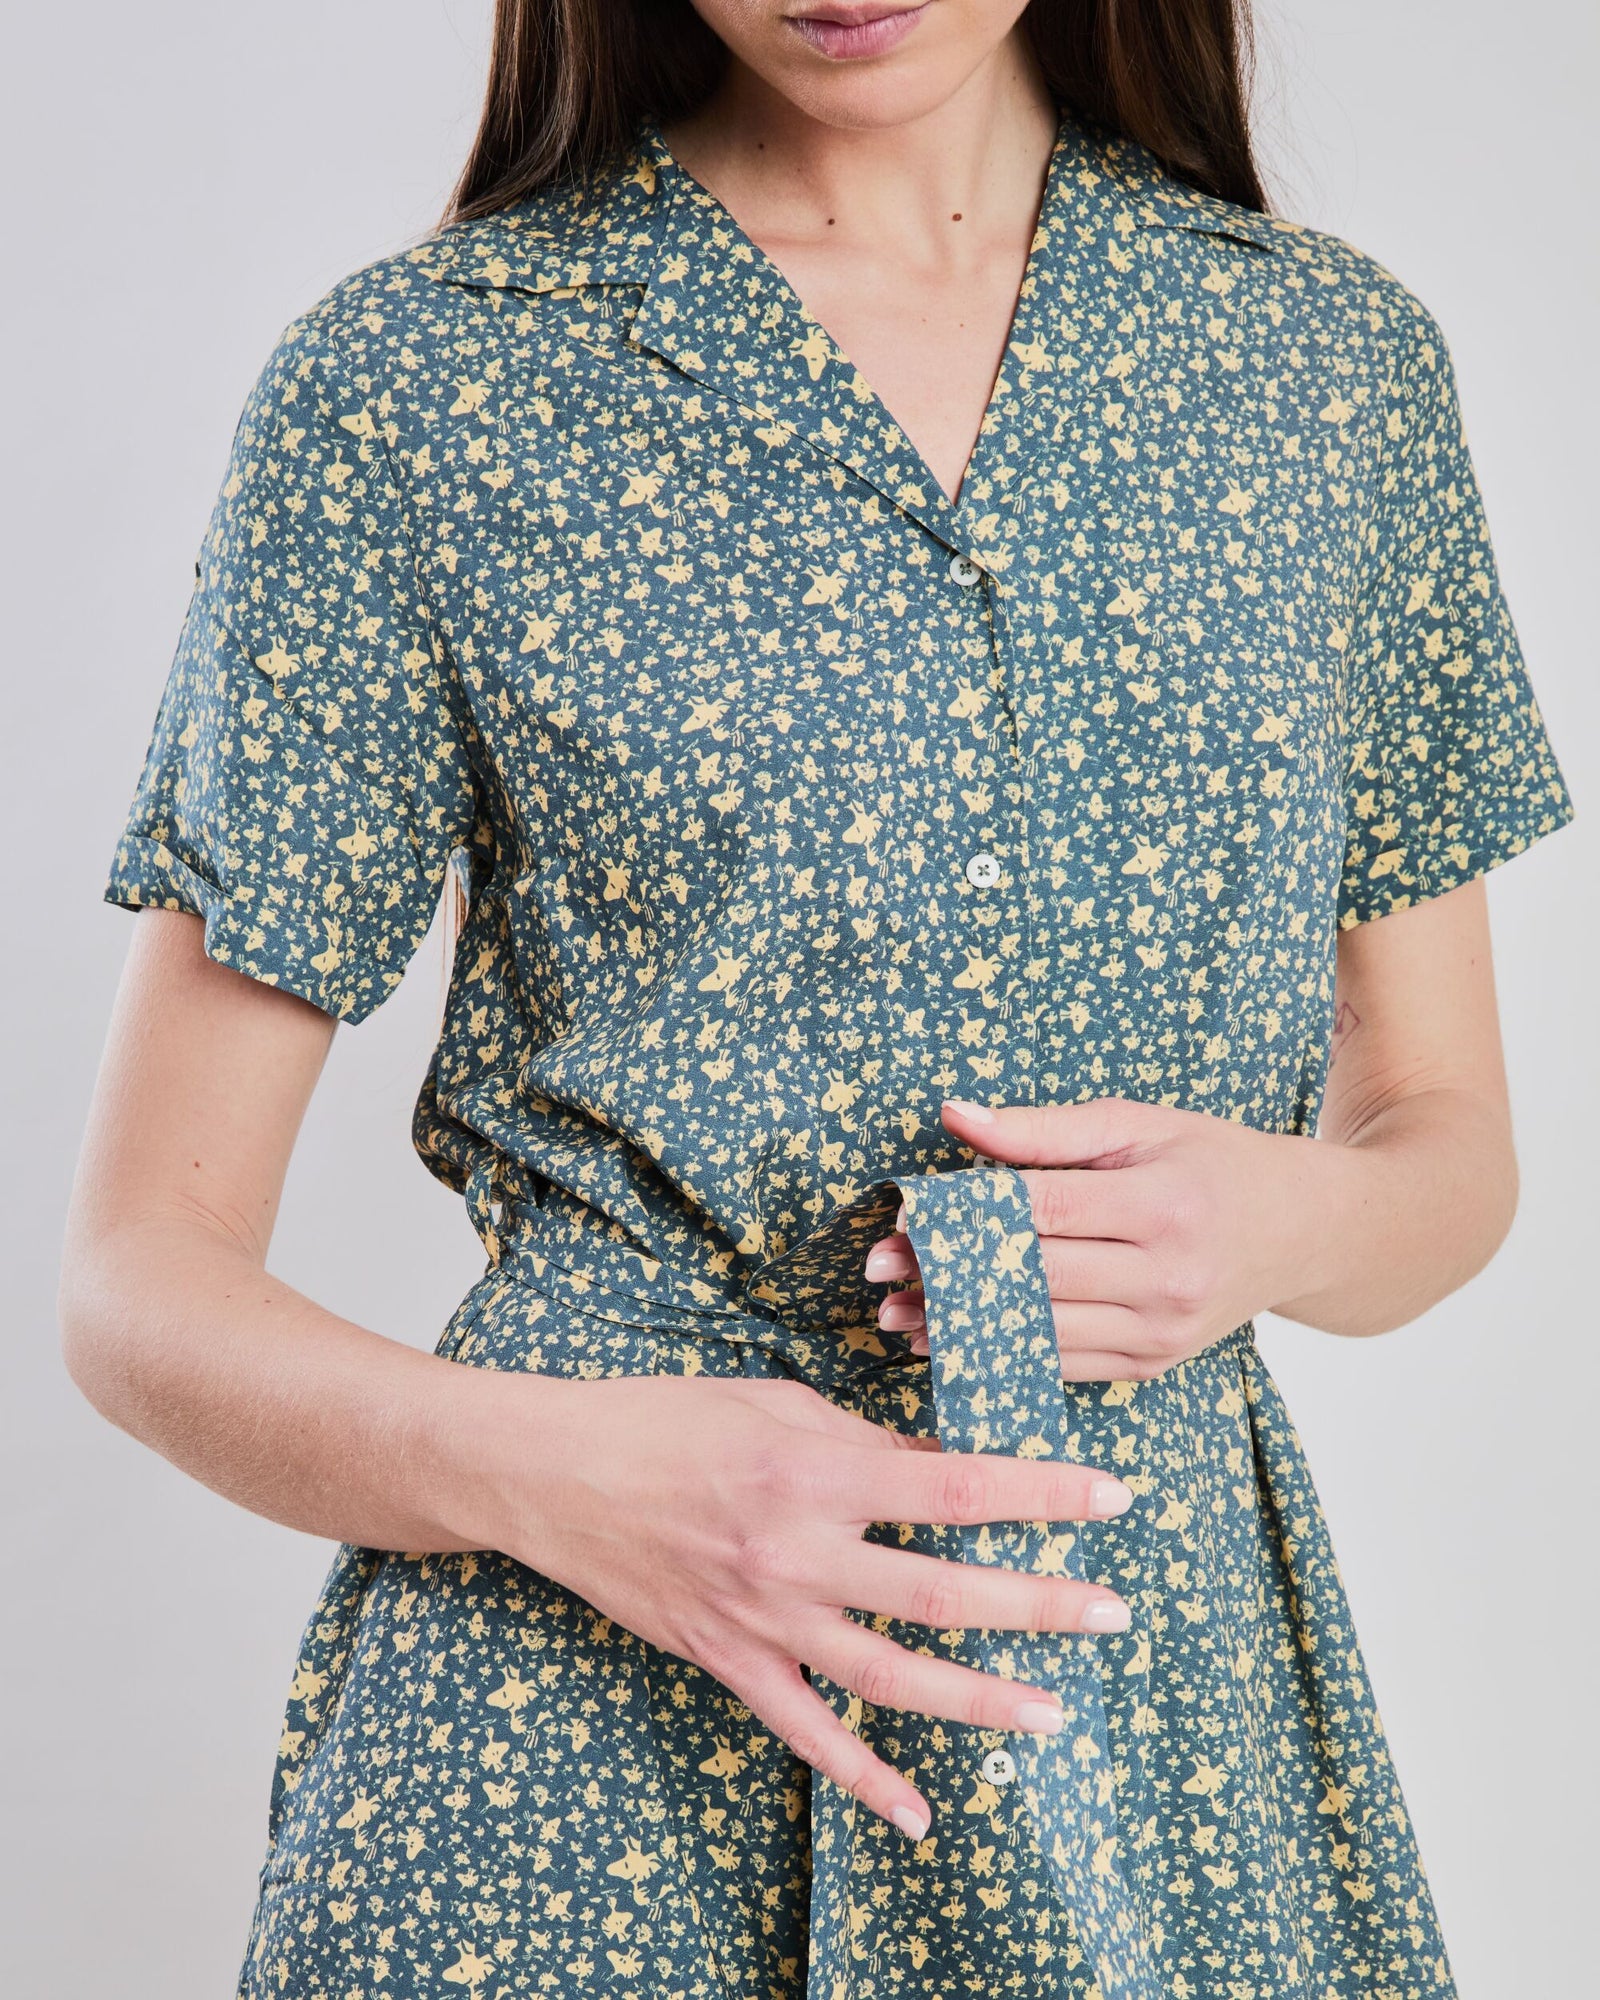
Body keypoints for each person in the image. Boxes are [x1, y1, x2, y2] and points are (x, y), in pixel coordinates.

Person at [61, 2, 1577, 1996]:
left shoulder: (1325, 368)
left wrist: (1274, 1220)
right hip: (568, 1727)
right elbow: (138, 1284)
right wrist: (574, 1479)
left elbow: (1448, 1150)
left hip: (1146, 1705)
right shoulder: (421, 382)